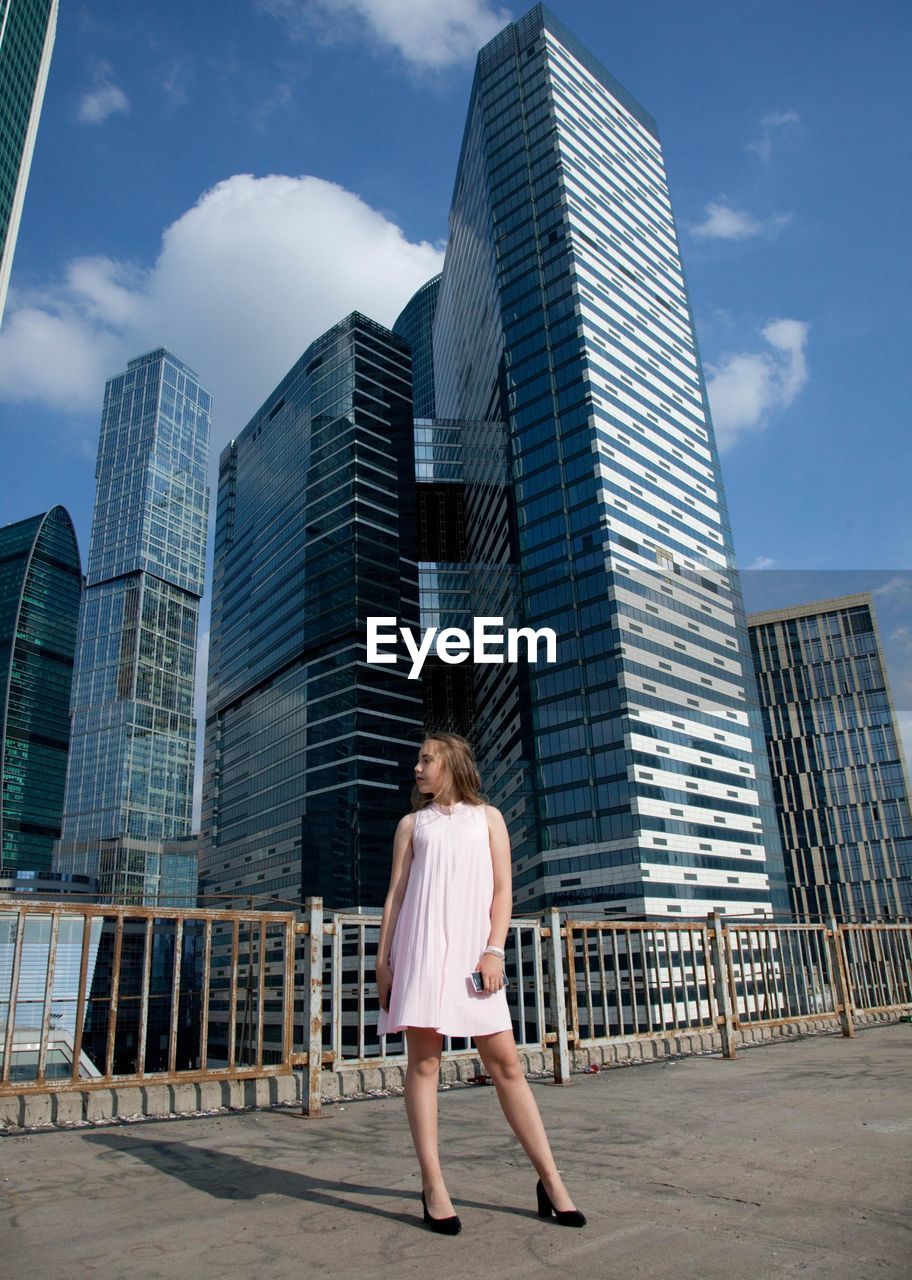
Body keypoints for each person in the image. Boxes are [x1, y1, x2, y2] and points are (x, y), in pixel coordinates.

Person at [375, 733, 586, 1234]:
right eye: (418, 759)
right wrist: (384, 961)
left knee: (507, 1066)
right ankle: (433, 1184)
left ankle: (551, 1180)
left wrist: (494, 950)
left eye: (425, 758)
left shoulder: (488, 818)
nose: (417, 768)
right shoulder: (412, 825)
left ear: (451, 763)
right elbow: (395, 896)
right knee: (423, 1063)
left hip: (475, 958)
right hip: (420, 953)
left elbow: (502, 889)